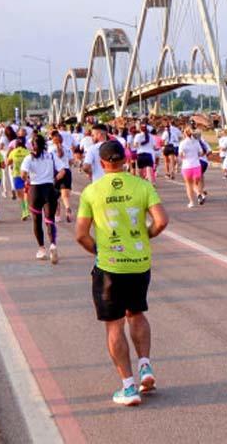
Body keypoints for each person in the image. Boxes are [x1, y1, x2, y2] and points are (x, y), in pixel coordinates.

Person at [75, 140, 169, 406]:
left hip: (110, 265)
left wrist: (99, 250)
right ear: (126, 160)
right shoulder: (143, 185)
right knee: (136, 313)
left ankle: (128, 388)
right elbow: (161, 221)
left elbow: (81, 234)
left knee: (114, 324)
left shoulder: (92, 191)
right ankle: (145, 365)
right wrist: (146, 236)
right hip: (139, 262)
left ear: (102, 162)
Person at [21, 135, 68, 263]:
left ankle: (41, 249)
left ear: (32, 145)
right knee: (50, 220)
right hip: (49, 188)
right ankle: (53, 244)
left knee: (37, 221)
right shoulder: (51, 156)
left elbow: (23, 174)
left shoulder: (29, 158)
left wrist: (27, 180)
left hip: (35, 190)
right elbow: (63, 171)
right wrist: (54, 179)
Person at [50, 130, 74, 222]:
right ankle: (67, 209)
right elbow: (71, 161)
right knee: (65, 196)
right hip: (66, 171)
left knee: (55, 196)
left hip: (56, 172)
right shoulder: (67, 148)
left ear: (53, 140)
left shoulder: (50, 149)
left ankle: (57, 216)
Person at [178, 128, 204, 208]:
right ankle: (199, 194)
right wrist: (196, 155)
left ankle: (191, 202)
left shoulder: (182, 143)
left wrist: (183, 156)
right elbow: (201, 153)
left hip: (187, 166)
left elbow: (180, 154)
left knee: (189, 185)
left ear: (185, 134)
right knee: (195, 184)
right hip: (196, 165)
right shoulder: (196, 142)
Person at [7, 139, 31, 221]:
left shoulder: (13, 152)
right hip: (27, 175)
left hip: (17, 175)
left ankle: (24, 211)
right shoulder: (27, 152)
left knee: (20, 195)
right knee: (26, 193)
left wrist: (13, 163)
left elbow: (8, 163)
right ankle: (27, 210)